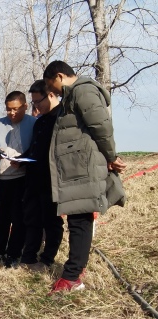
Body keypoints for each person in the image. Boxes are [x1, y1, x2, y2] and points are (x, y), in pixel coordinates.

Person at [43, 60, 126, 294]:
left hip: (83, 167)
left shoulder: (83, 91)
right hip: (76, 167)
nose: (53, 92)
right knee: (78, 219)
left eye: (52, 86)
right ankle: (75, 271)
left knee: (80, 220)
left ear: (60, 76)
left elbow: (101, 125)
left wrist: (111, 155)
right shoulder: (72, 95)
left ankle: (72, 278)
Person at [15, 80, 65, 271]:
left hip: (52, 180)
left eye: (38, 102)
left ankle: (47, 260)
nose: (36, 107)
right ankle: (28, 257)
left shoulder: (63, 118)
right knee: (31, 218)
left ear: (51, 95)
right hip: (33, 179)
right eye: (33, 103)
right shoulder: (41, 121)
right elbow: (34, 150)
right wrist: (21, 159)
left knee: (51, 221)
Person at [0, 91, 36, 268]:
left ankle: (13, 255)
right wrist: (0, 150)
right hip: (2, 179)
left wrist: (21, 161)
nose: (12, 113)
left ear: (25, 106)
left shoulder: (34, 124)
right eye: (8, 110)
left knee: (19, 220)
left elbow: (37, 150)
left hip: (22, 179)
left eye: (15, 109)